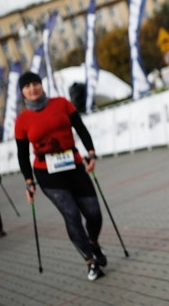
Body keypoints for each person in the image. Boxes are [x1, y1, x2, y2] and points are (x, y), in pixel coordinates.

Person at [14, 71, 107, 281]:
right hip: (47, 174)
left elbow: (81, 129)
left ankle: (93, 242)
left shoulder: (62, 104)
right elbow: (22, 154)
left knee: (93, 214)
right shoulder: (22, 120)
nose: (33, 88)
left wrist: (91, 153)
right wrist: (29, 182)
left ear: (41, 85)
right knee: (72, 215)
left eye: (35, 83)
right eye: (27, 86)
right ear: (23, 92)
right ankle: (90, 262)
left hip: (74, 165)